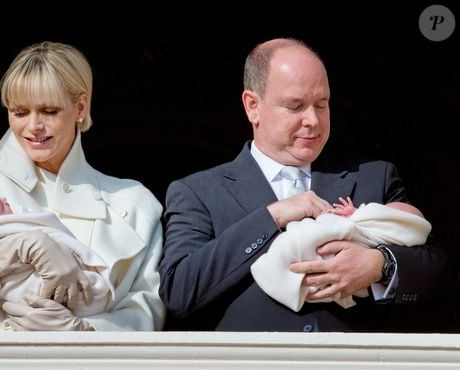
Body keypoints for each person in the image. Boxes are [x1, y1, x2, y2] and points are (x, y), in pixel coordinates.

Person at [158, 37, 453, 332]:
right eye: (295, 106)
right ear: (252, 106)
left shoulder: (375, 177)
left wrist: (379, 265)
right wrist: (272, 215)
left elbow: (437, 271)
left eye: (321, 105)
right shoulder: (197, 191)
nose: (312, 120)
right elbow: (179, 292)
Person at [0, 41, 165, 332]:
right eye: (20, 112)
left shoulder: (134, 202)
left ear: (81, 107)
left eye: (48, 111)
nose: (33, 126)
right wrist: (17, 248)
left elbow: (145, 310)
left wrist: (82, 331)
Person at [0, 188, 115, 323]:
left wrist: (89, 329)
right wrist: (16, 247)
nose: (5, 198)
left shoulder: (132, 199)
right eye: (1, 206)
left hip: (93, 330)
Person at [250, 197, 432, 312]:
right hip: (250, 345)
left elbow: (434, 263)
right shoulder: (220, 181)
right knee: (297, 241)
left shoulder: (379, 173)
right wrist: (272, 215)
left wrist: (380, 263)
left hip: (354, 346)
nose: (311, 132)